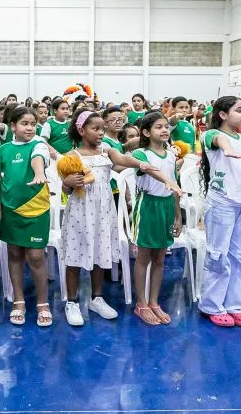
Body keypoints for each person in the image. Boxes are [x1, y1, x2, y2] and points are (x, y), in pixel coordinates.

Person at [60, 110, 177, 327]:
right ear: (81, 130)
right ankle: (72, 302)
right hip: (80, 212)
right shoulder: (71, 157)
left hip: (103, 211)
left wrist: (142, 165)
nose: (100, 133)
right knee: (74, 257)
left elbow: (124, 159)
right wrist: (68, 182)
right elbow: (65, 190)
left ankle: (97, 298)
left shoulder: (107, 151)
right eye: (95, 129)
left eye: (102, 129)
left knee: (99, 252)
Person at [197, 96, 241, 328]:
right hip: (222, 202)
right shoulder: (210, 135)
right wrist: (228, 149)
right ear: (222, 114)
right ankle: (211, 305)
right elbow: (219, 138)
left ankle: (234, 304)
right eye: (239, 110)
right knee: (218, 254)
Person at [0, 106, 52, 327]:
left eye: (32, 124)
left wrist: (39, 174)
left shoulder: (39, 144)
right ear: (13, 126)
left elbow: (38, 158)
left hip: (36, 209)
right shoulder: (4, 149)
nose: (29, 127)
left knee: (36, 256)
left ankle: (43, 303)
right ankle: (19, 301)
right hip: (10, 209)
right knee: (14, 254)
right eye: (24, 123)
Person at [127, 111, 185, 326]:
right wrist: (168, 182)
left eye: (166, 126)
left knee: (160, 257)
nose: (164, 130)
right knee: (144, 256)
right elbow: (155, 175)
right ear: (145, 132)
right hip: (148, 206)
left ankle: (154, 301)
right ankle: (141, 303)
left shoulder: (171, 155)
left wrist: (178, 216)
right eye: (158, 127)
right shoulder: (141, 154)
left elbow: (174, 187)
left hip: (167, 207)